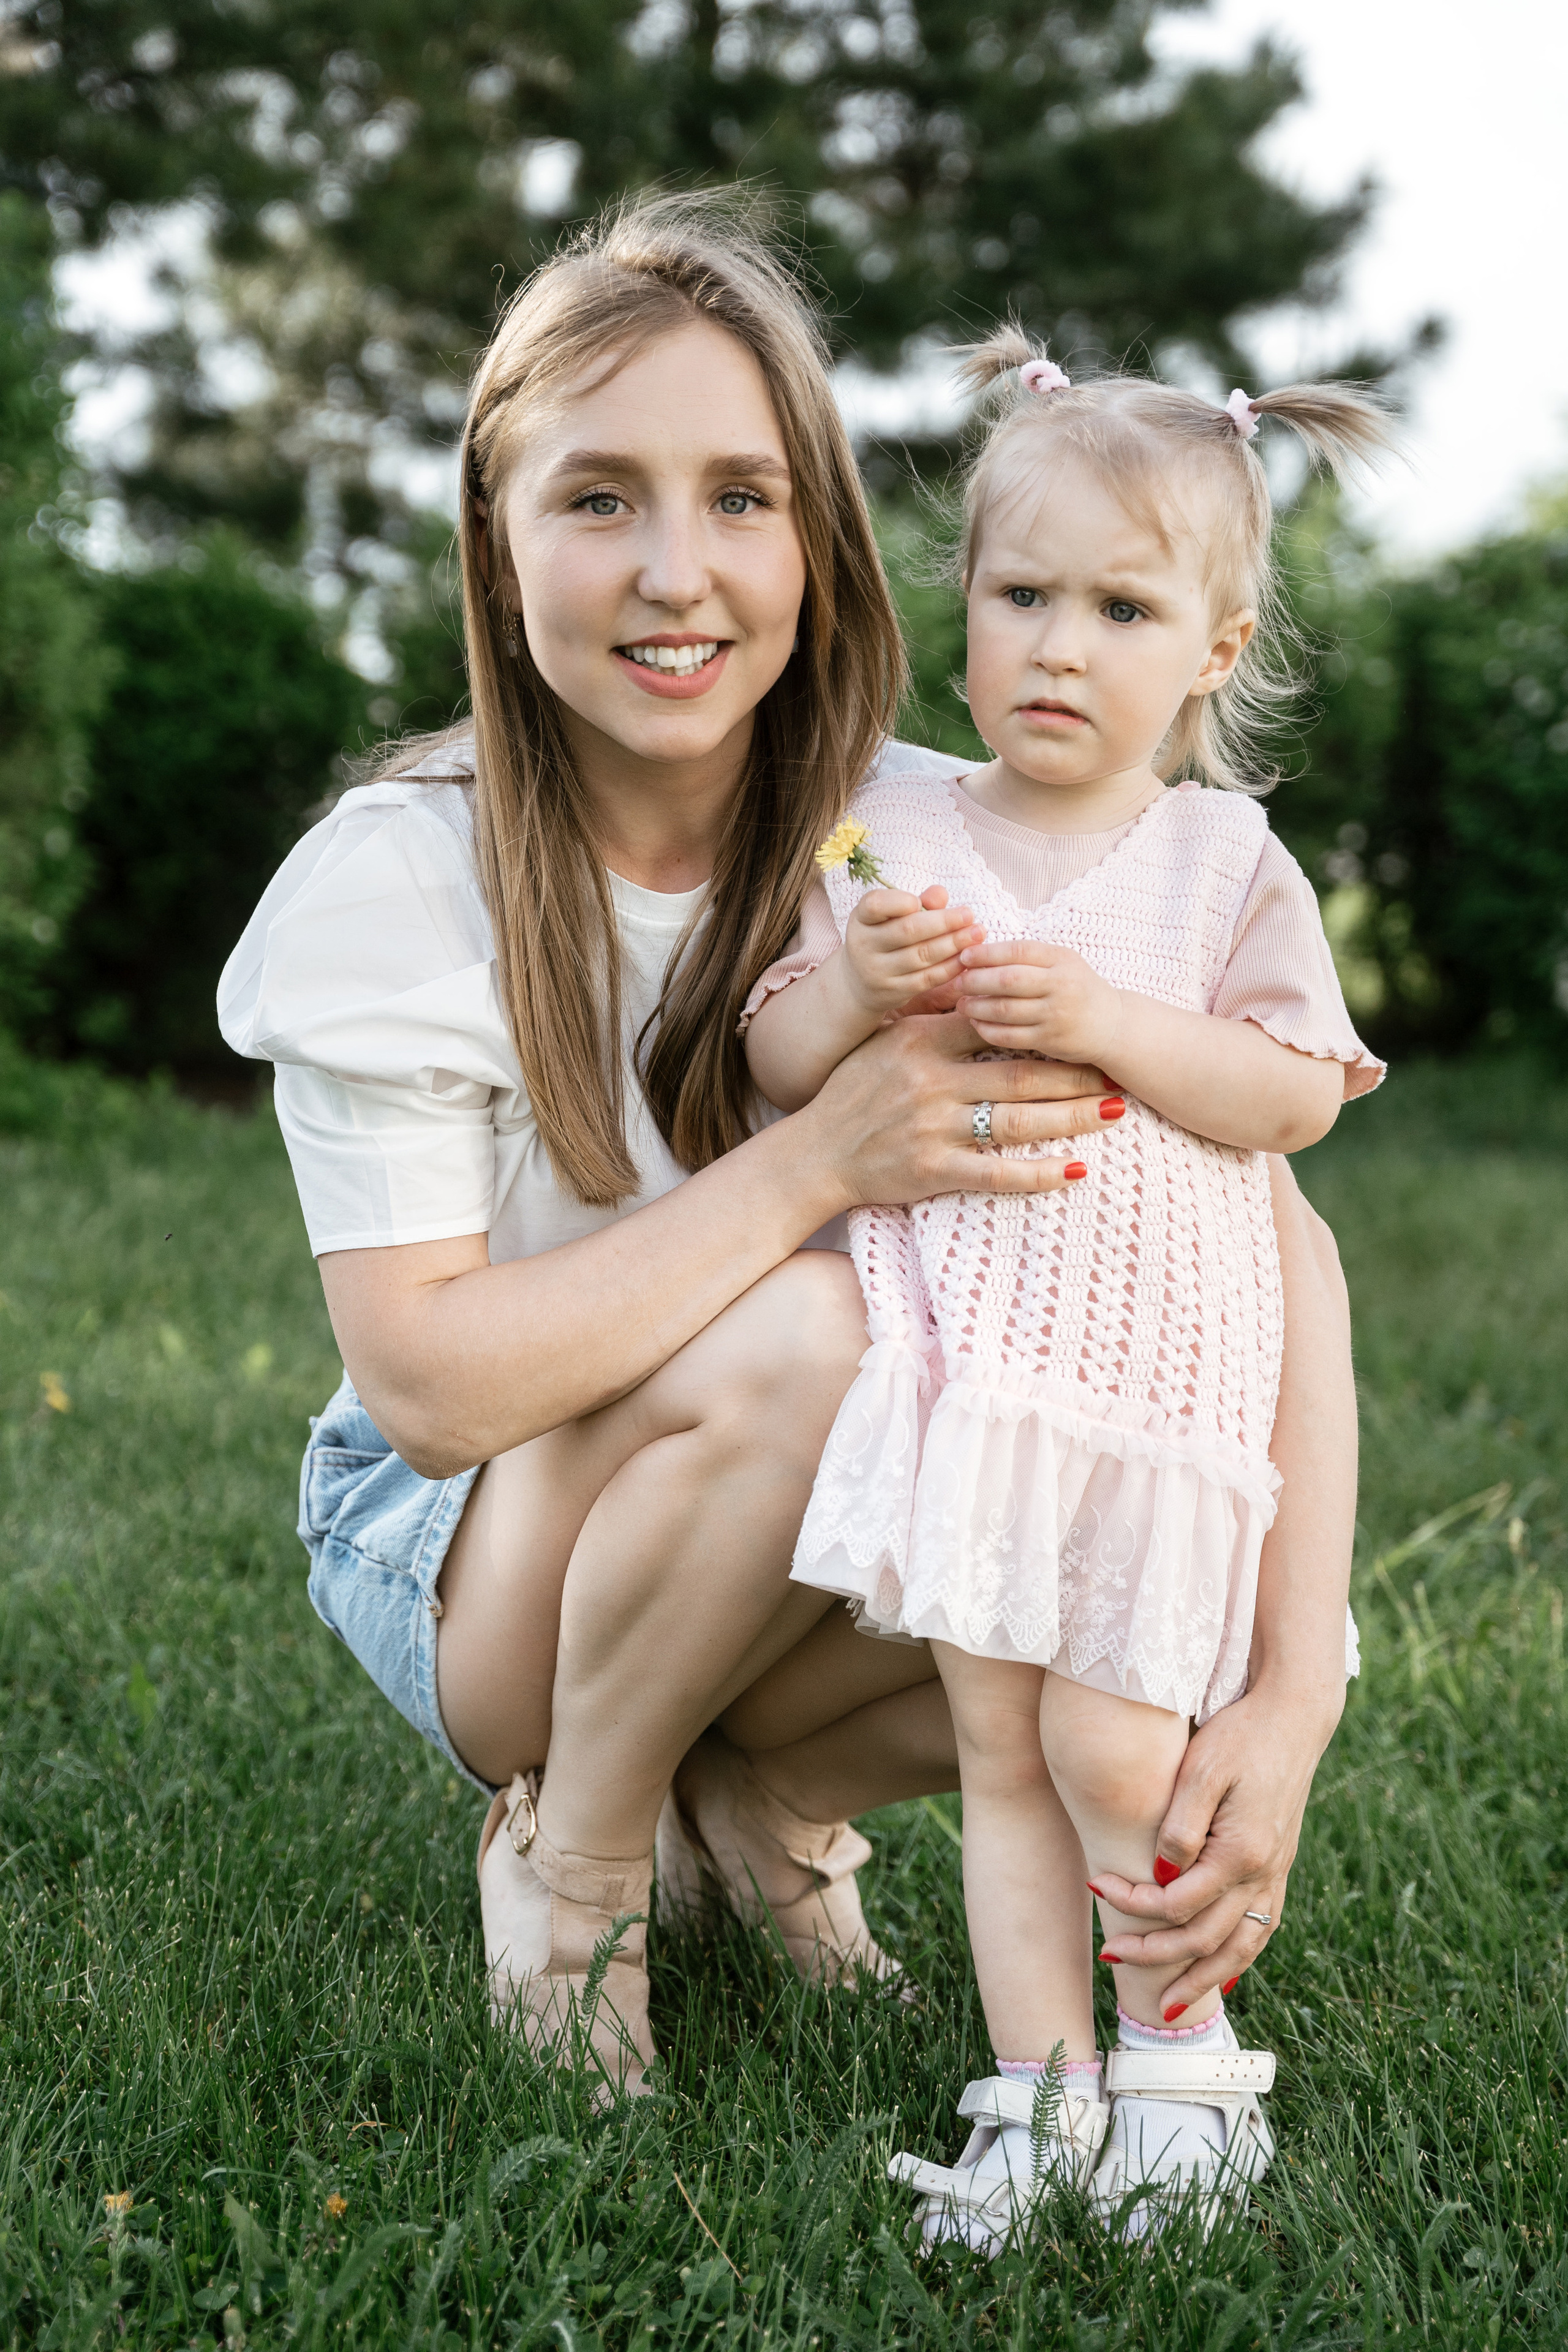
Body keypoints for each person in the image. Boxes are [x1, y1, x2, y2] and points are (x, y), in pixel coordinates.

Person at [217, 197, 1363, 2114]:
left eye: (742, 497)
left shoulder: (931, 832)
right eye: (599, 500)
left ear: (821, 544)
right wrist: (822, 1155)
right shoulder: (404, 878)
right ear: (496, 552)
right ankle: (577, 1859)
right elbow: (425, 1389)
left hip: (800, 1491)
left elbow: (1269, 1241)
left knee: (1113, 1505)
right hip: (480, 1548)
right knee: (823, 1323)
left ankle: (764, 1803)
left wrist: (1294, 1677)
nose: (680, 572)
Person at [742, 334, 1389, 2241]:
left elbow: (1296, 1095)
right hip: (973, 1381)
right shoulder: (890, 826)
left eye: (1120, 607)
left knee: (1120, 1744)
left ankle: (1183, 2063)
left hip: (1157, 1381)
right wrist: (856, 984)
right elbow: (781, 1048)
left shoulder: (1218, 861)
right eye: (1022, 596)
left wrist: (1109, 1017)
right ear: (966, 616)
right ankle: (1038, 2099)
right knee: (999, 1748)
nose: (1058, 644)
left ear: (1212, 645)